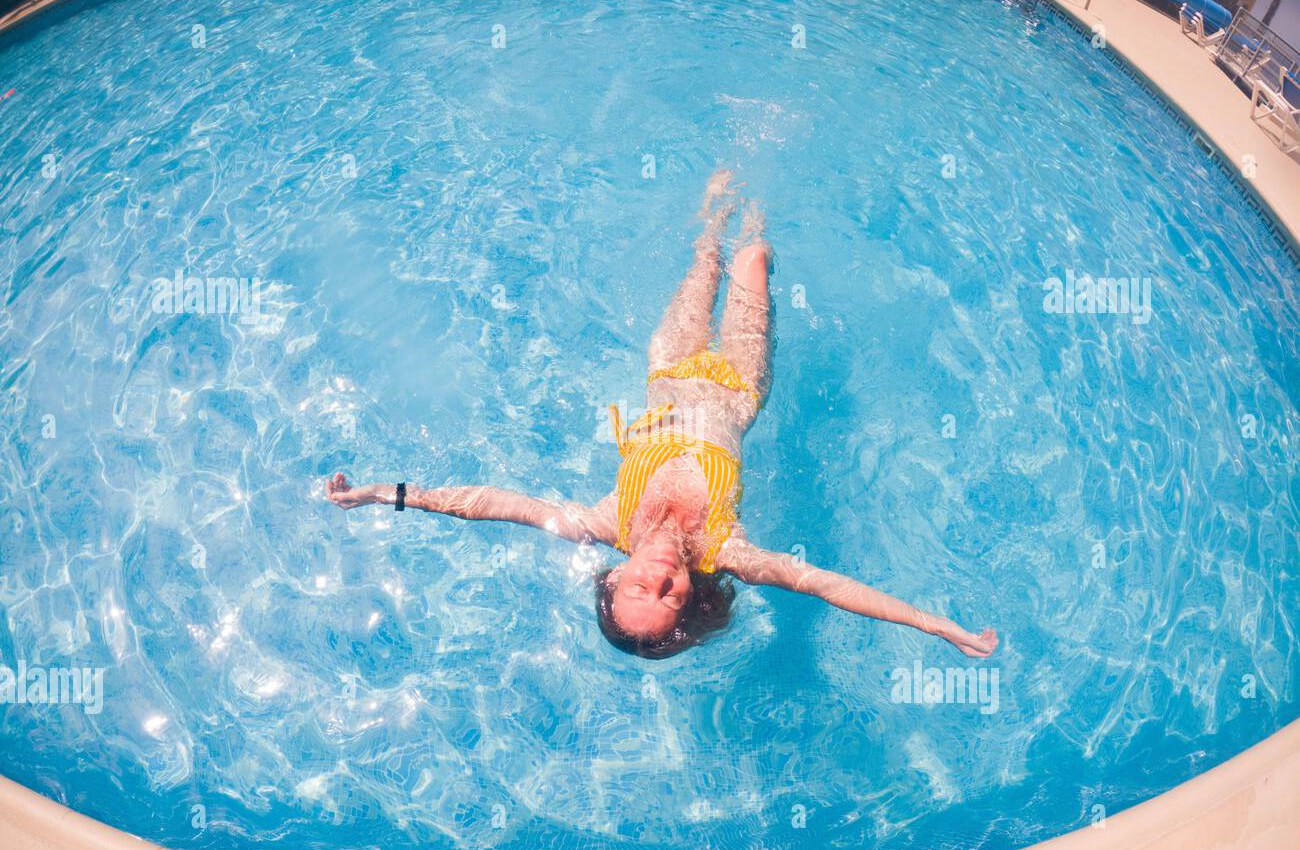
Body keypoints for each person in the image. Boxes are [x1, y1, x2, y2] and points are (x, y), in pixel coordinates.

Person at [326, 170, 998, 661]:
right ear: (693, 598)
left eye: (643, 584)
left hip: (670, 365)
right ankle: (764, 190)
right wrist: (934, 624)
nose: (664, 574)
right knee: (753, 258)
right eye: (673, 593)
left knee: (707, 258)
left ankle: (723, 191)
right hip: (737, 383)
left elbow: (489, 504)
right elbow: (824, 584)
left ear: (616, 576)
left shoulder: (602, 521)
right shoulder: (725, 550)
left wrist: (383, 492)